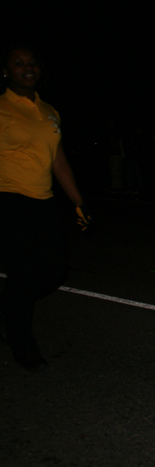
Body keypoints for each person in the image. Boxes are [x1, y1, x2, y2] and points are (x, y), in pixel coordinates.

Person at [0, 45, 91, 371]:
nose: (28, 68)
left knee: (55, 271)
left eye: (33, 63)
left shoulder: (50, 111)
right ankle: (22, 343)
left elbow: (59, 161)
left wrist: (79, 204)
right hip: (9, 199)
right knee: (23, 274)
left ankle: (10, 308)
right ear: (6, 71)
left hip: (44, 201)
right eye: (19, 63)